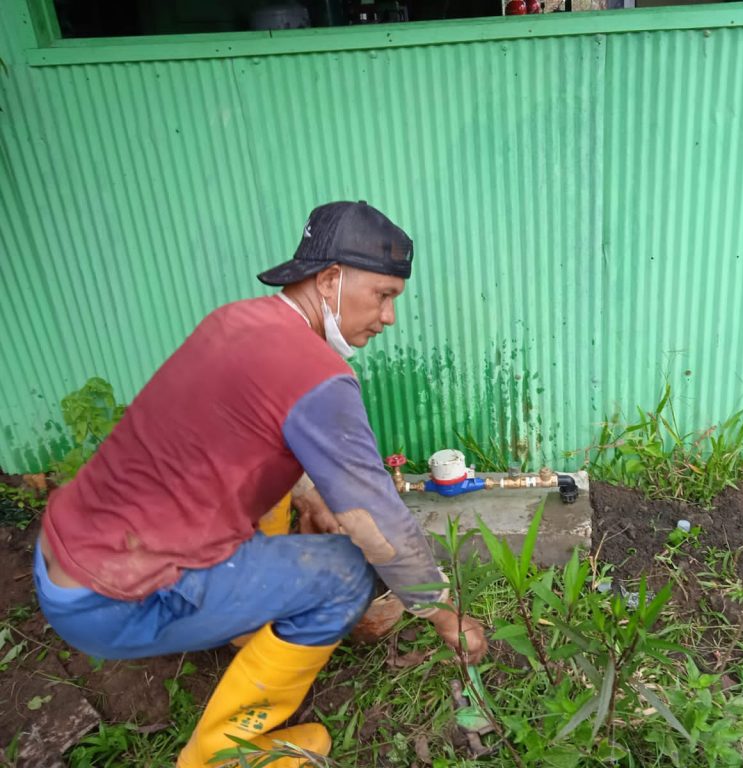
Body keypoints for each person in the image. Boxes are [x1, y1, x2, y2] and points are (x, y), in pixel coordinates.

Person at [33, 201, 487, 767]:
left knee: (280, 490)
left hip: (65, 558)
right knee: (349, 572)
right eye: (384, 295)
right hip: (116, 599)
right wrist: (443, 612)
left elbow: (243, 442)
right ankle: (224, 753)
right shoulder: (318, 376)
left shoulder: (234, 321)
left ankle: (248, 629)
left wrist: (317, 498)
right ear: (329, 280)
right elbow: (378, 521)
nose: (390, 317)